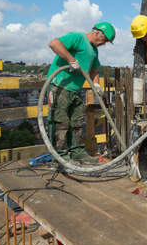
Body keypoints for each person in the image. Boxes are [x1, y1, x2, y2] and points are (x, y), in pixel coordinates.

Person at [46, 22, 115, 163]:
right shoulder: (77, 37)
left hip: (75, 90)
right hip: (60, 86)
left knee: (77, 122)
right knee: (60, 122)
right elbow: (54, 44)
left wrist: (96, 84)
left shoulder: (94, 50)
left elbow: (94, 70)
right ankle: (61, 158)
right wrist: (71, 60)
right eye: (104, 40)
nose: (104, 44)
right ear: (97, 34)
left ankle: (77, 153)